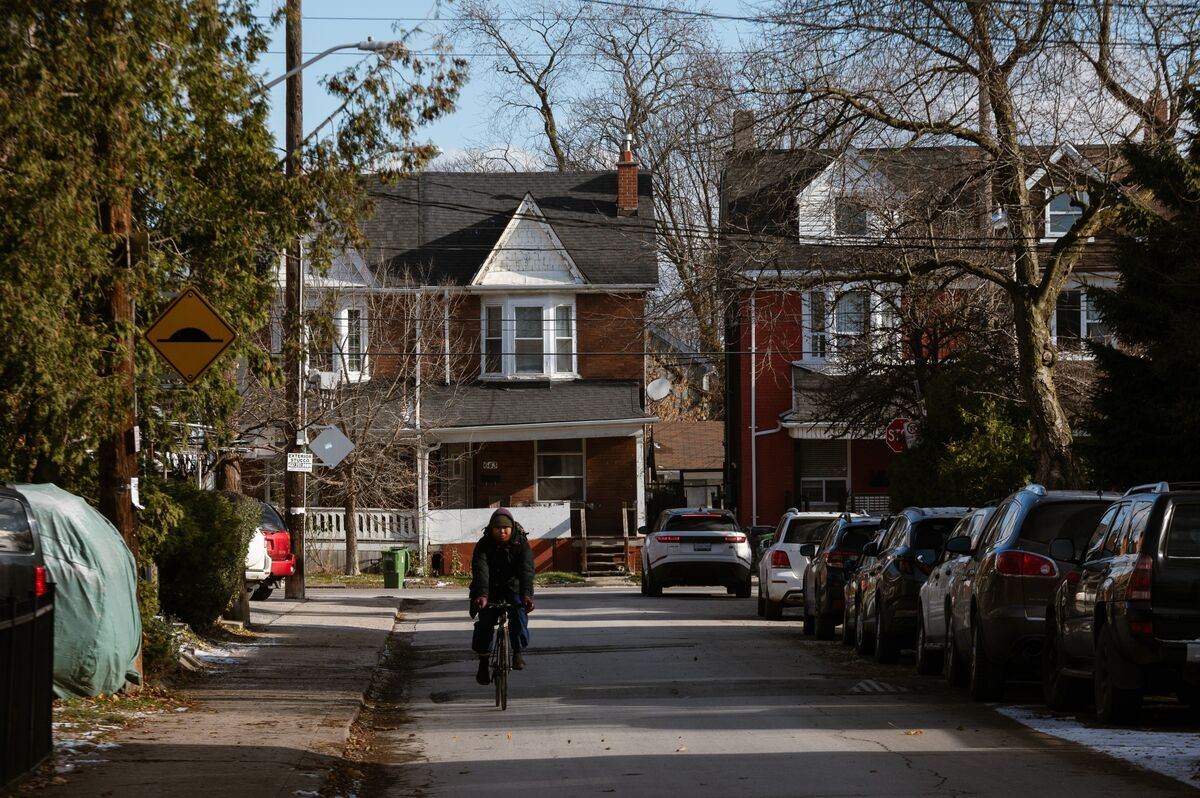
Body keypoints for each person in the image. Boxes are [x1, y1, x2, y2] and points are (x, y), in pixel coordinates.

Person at [469, 508, 535, 686]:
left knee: (519, 615)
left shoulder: (521, 544)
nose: (502, 531)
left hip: (514, 588)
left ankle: (517, 652)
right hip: (489, 589)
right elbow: (481, 570)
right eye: (497, 528)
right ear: (491, 529)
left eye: (505, 528)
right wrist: (482, 595)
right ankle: (483, 662)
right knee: (485, 621)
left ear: (511, 528)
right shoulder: (483, 545)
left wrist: (526, 595)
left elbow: (526, 571)